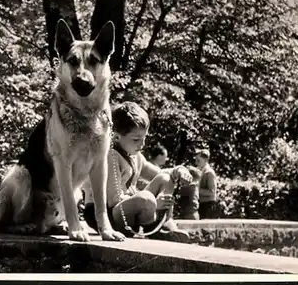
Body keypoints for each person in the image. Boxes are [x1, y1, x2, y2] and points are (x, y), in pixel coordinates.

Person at [83, 101, 193, 242]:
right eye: (136, 139)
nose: (142, 144)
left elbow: (159, 173)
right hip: (106, 213)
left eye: (144, 138)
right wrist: (154, 204)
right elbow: (113, 200)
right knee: (146, 198)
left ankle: (162, 225)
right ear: (116, 137)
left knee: (165, 179)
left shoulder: (135, 156)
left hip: (126, 208)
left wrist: (178, 170)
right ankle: (155, 230)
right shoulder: (110, 156)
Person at [195, 149, 218, 219]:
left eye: (198, 160)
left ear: (205, 160)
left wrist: (196, 190)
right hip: (201, 204)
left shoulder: (209, 172)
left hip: (208, 205)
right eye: (196, 160)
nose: (196, 163)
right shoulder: (199, 171)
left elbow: (212, 192)